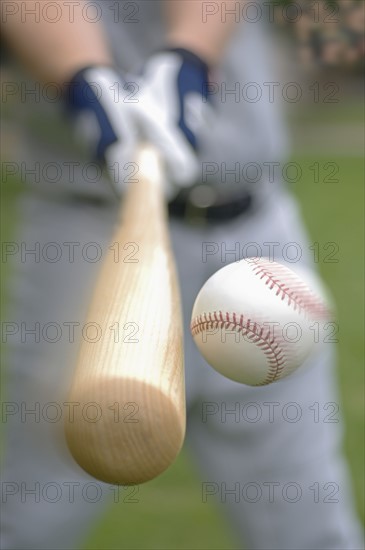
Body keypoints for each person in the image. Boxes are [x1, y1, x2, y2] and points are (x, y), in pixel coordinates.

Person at [1, 1, 363, 549]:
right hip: (88, 243)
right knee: (26, 523)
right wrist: (82, 78)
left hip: (256, 242)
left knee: (311, 529)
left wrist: (188, 58)